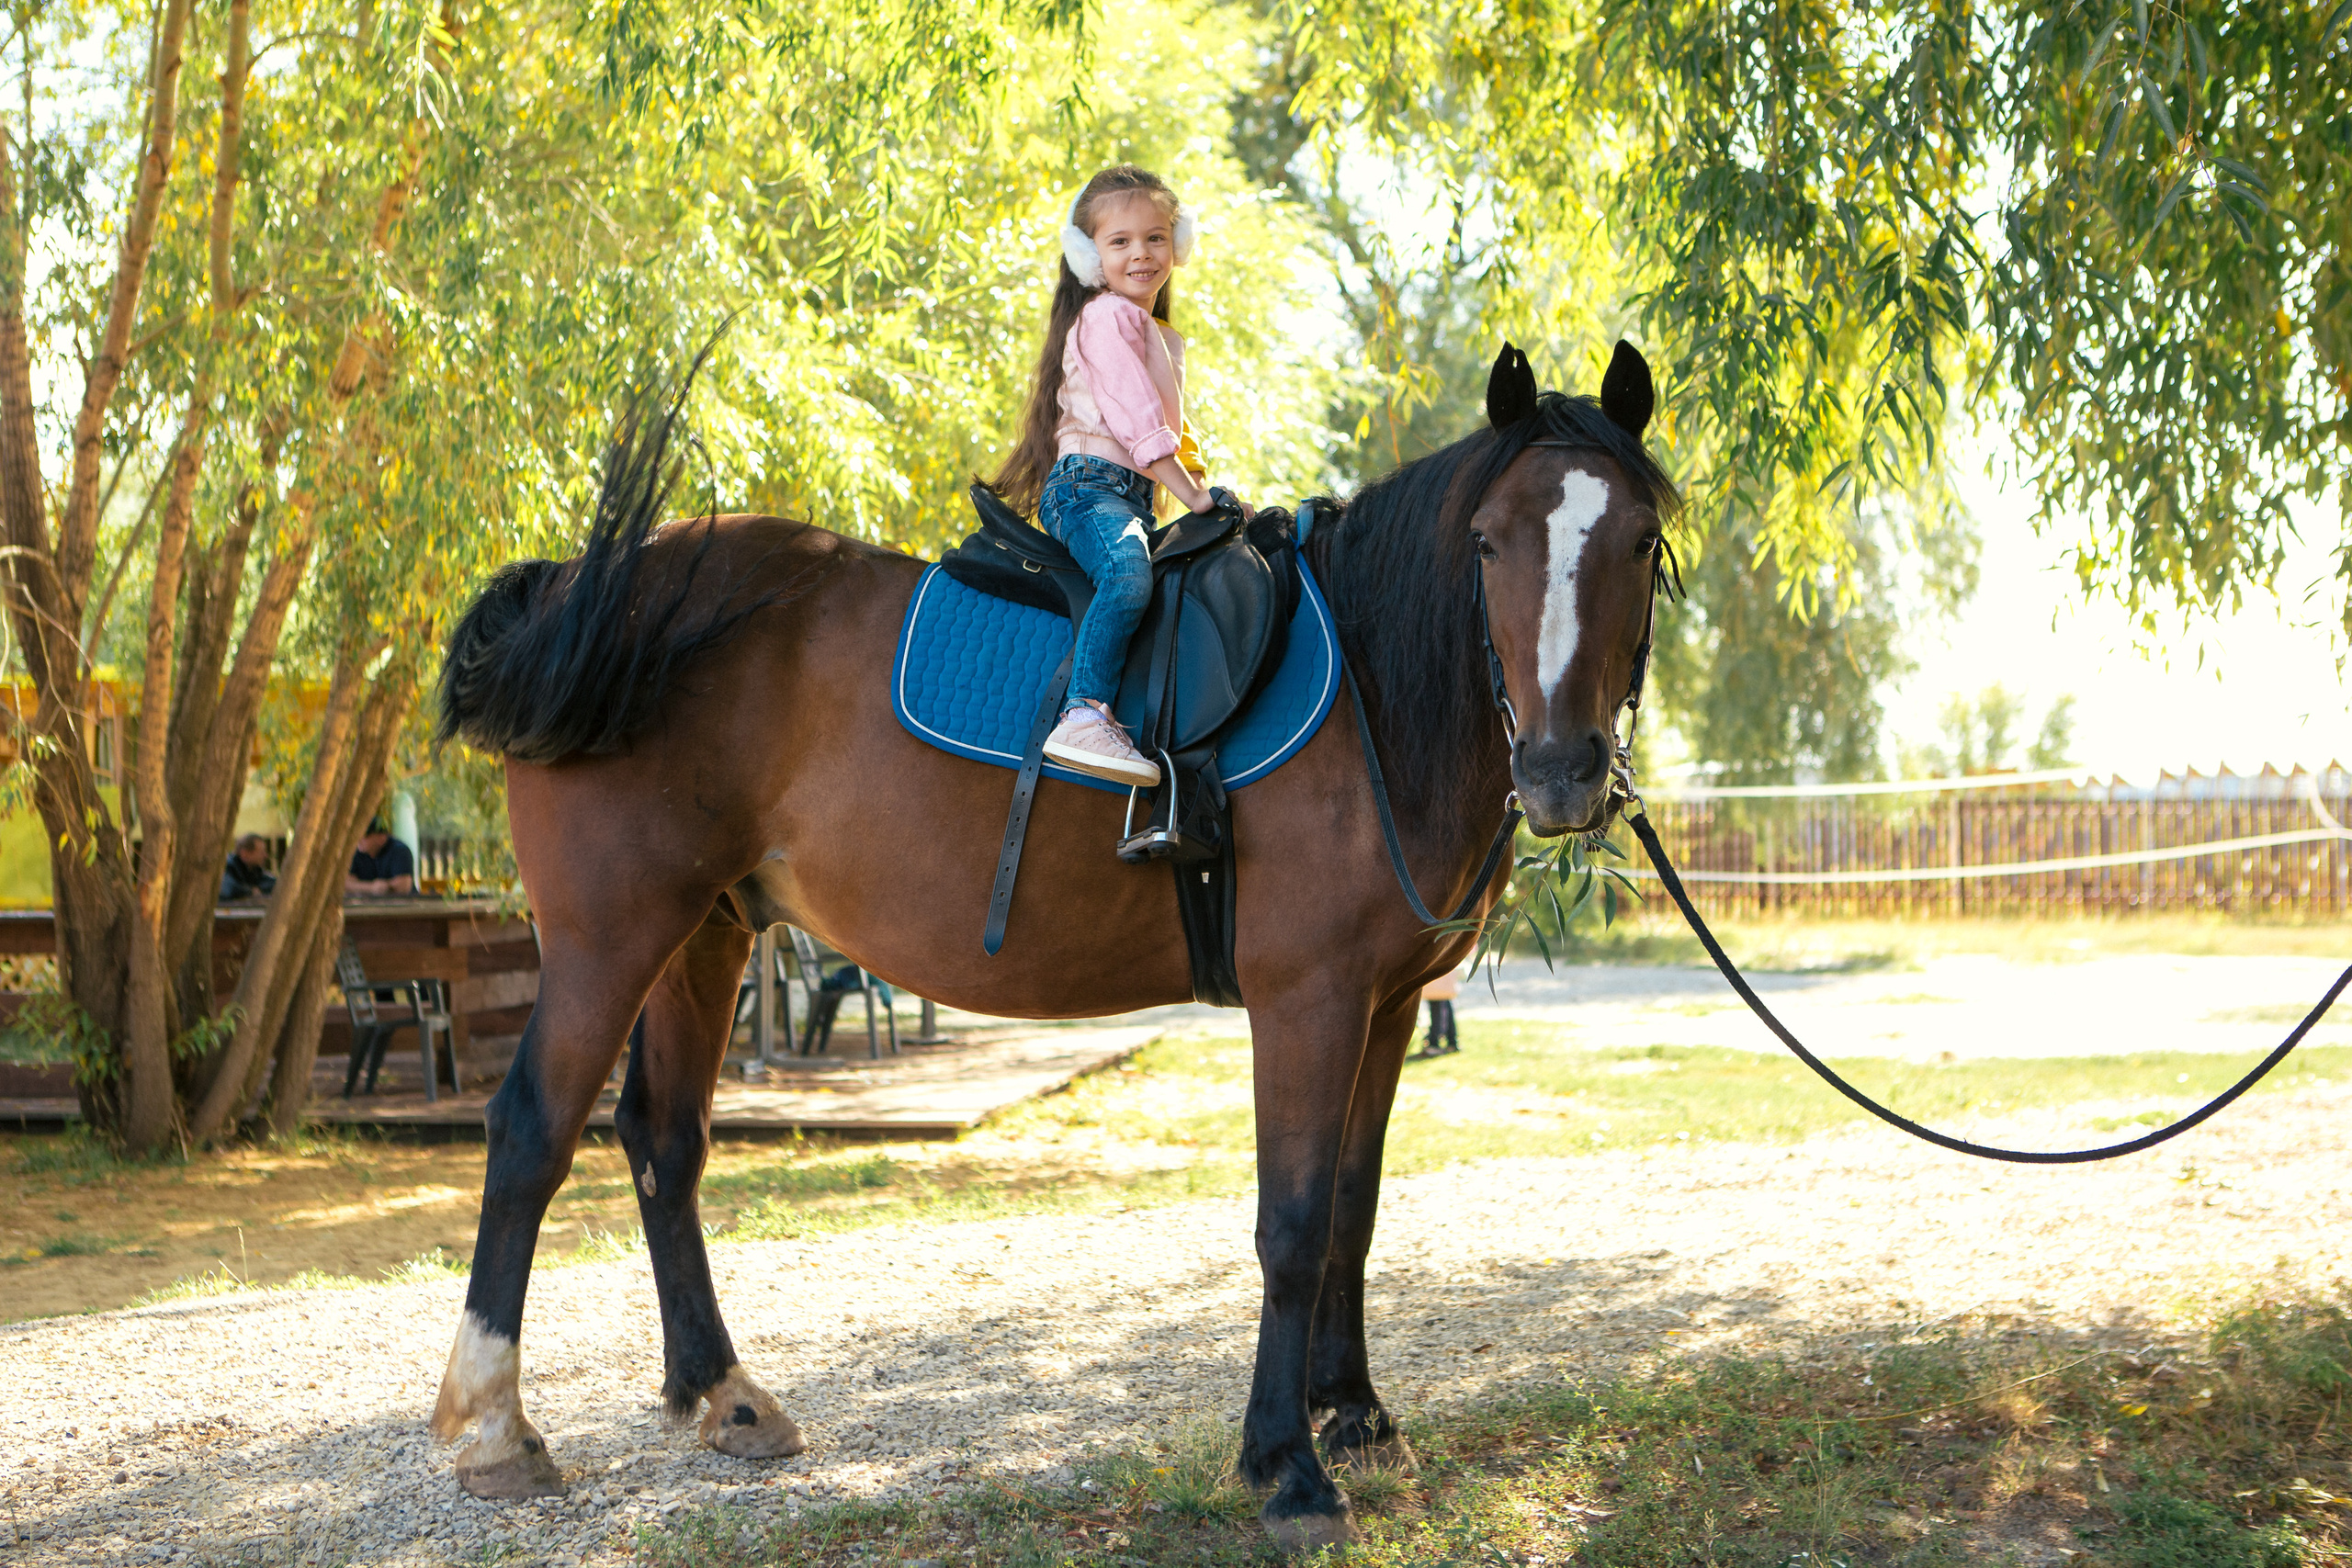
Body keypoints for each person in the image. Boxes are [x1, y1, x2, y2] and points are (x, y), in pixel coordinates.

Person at [987, 164, 1251, 788]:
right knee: (1129, 577)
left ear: (1177, 246)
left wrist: (1197, 483)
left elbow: (1169, 429)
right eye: (1121, 241)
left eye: (1156, 237)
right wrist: (1190, 492)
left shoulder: (1155, 332)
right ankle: (1084, 712)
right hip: (1089, 487)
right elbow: (1136, 418)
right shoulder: (1106, 317)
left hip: (1127, 494)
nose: (1142, 253)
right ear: (1090, 257)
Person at [346, 817, 415, 897]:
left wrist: (360, 886)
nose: (359, 840)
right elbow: (346, 884)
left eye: (364, 836)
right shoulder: (357, 852)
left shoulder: (400, 851)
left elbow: (403, 886)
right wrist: (372, 887)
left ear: (381, 837)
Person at [1409, 970, 1460, 1060]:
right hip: (1444, 976)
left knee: (1437, 1005)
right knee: (1444, 1002)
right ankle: (1452, 1042)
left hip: (1437, 976)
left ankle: (1434, 1044)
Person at [219, 834, 277, 900]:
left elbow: (273, 884)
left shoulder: (255, 871)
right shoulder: (228, 868)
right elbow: (227, 890)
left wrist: (257, 890)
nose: (265, 856)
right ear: (245, 854)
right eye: (261, 852)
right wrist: (250, 891)